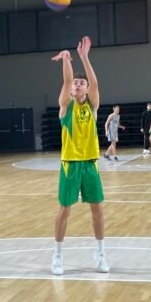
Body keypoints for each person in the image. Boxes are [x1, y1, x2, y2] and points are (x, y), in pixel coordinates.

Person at [52, 36, 108, 276]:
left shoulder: (92, 107)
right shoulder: (66, 106)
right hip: (70, 164)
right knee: (65, 209)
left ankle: (100, 253)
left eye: (81, 83)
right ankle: (57, 255)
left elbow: (95, 84)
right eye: (76, 83)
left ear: (86, 88)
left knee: (98, 209)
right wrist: (66, 58)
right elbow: (66, 81)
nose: (77, 85)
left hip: (90, 164)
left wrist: (84, 58)